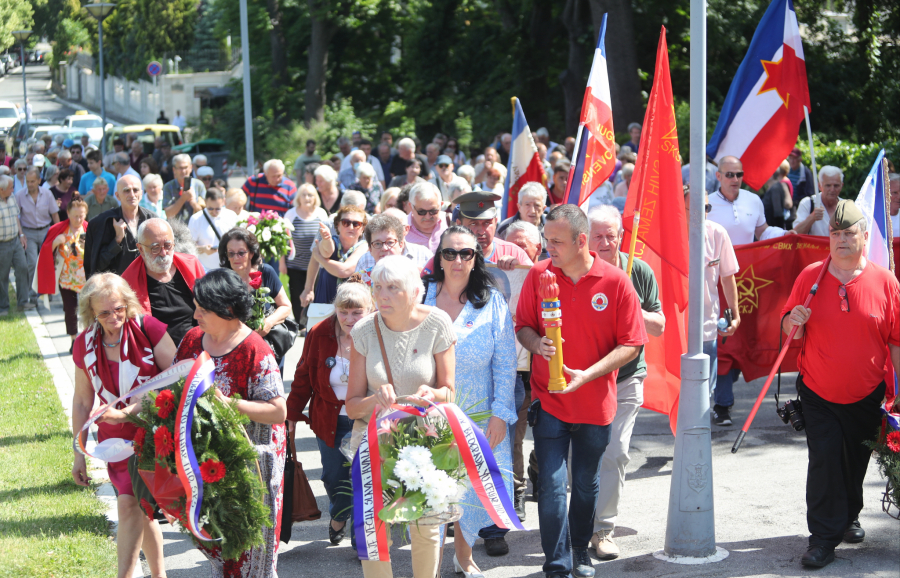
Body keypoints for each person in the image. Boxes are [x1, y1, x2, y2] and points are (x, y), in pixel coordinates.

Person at [515, 204, 647, 578]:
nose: (549, 247)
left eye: (556, 241)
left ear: (581, 240)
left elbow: (632, 343)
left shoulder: (617, 281)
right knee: (553, 486)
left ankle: (579, 550)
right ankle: (557, 565)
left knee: (586, 485)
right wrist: (536, 343)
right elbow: (523, 325)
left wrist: (588, 375)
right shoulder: (539, 274)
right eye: (547, 239)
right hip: (550, 400)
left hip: (596, 405)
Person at [781, 200, 900, 568]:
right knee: (825, 461)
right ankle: (822, 539)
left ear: (864, 237)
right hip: (818, 392)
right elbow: (787, 328)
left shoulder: (885, 281)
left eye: (849, 233)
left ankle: (848, 515)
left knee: (854, 461)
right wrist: (793, 319)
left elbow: (896, 340)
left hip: (867, 393)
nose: (841, 239)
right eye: (835, 233)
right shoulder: (810, 277)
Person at [345, 254, 456, 578]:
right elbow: (352, 406)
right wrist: (375, 400)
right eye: (378, 287)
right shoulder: (364, 330)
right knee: (373, 529)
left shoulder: (437, 323)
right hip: (375, 444)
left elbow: (450, 392)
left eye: (393, 288)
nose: (382, 296)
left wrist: (431, 393)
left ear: (414, 291)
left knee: (426, 528)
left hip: (425, 442)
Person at [173, 269, 288, 576]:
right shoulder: (192, 340)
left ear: (227, 309)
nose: (195, 315)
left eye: (203, 310)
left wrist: (228, 403)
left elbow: (278, 411)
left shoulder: (255, 349)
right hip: (206, 462)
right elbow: (173, 389)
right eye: (196, 307)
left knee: (251, 552)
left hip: (252, 467)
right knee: (219, 546)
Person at [423, 226, 518, 567]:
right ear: (440, 258)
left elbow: (505, 364)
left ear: (476, 259)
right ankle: (429, 565)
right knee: (431, 489)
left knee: (471, 491)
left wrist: (500, 414)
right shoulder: (420, 298)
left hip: (479, 414)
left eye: (466, 253)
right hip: (428, 413)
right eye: (450, 253)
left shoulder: (492, 301)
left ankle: (464, 558)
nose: (458, 260)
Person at [71, 273, 173, 578]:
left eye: (119, 308)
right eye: (104, 313)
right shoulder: (84, 344)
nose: (114, 317)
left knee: (131, 505)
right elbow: (82, 402)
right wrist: (78, 453)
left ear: (128, 302)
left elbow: (177, 378)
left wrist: (129, 412)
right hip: (115, 443)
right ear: (91, 313)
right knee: (140, 509)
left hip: (153, 435)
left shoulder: (148, 329)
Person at [586, 206, 665, 559]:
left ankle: (603, 529)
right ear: (585, 238)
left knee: (615, 452)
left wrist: (631, 301)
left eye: (611, 235)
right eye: (598, 236)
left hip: (627, 377)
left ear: (621, 236)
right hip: (584, 378)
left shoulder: (639, 270)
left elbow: (659, 326)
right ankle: (579, 520)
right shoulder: (576, 270)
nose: (605, 242)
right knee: (585, 454)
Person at [287, 279, 373, 544]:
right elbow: (303, 375)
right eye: (343, 312)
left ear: (370, 310)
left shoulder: (378, 333)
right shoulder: (319, 333)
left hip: (366, 420)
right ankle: (338, 514)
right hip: (329, 419)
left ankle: (362, 541)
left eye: (356, 312)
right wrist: (291, 414)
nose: (349, 319)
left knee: (364, 479)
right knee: (334, 478)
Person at [684, 188, 742, 426]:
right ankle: (685, 432)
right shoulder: (669, 235)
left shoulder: (718, 233)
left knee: (704, 389)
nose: (703, 214)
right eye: (696, 209)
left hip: (707, 324)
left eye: (706, 208)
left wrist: (735, 315)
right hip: (676, 326)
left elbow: (727, 277)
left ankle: (697, 432)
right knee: (679, 389)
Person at [122, 218, 204, 346]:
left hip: (197, 346)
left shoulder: (191, 265)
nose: (163, 253)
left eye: (168, 245)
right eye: (155, 248)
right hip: (156, 352)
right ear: (141, 249)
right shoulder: (128, 282)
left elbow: (209, 308)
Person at [424, 191, 533, 274]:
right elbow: (421, 288)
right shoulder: (447, 256)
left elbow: (536, 284)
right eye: (473, 224)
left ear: (495, 222)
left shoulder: (514, 253)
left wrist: (519, 271)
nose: (481, 231)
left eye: (487, 223)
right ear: (459, 224)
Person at [219, 227, 292, 340]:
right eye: (231, 253)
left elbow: (285, 306)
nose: (236, 258)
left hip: (265, 340)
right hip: (233, 340)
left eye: (241, 253)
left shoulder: (266, 272)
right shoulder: (222, 279)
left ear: (251, 253)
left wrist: (268, 322)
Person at [36, 197, 88, 349]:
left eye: (81, 216)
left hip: (85, 279)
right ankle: (74, 340)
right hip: (66, 278)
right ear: (68, 214)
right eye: (75, 216)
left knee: (88, 310)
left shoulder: (89, 229)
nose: (78, 219)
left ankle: (88, 339)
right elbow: (45, 251)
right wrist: (55, 242)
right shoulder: (59, 229)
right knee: (70, 310)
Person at [83, 175, 156, 278]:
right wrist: (117, 240)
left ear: (141, 193)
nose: (132, 194)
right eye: (126, 190)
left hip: (146, 283)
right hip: (116, 285)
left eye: (135, 190)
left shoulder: (153, 220)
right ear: (117, 196)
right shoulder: (102, 223)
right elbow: (95, 266)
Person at [284, 184, 328, 328]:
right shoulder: (291, 214)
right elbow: (283, 240)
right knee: (297, 295)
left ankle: (313, 324)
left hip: (317, 264)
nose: (307, 198)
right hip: (295, 265)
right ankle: (300, 325)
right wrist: (282, 262)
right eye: (304, 194)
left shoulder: (321, 214)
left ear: (315, 197)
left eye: (310, 195)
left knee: (314, 295)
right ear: (299, 197)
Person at [354, 211, 434, 287]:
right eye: (377, 243)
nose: (384, 248)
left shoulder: (418, 276)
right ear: (370, 249)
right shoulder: (361, 279)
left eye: (390, 242)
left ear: (401, 244)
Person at [17, 166, 60, 302]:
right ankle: (33, 293)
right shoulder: (19, 195)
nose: (30, 184)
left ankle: (46, 290)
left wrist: (58, 233)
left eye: (32, 181)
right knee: (32, 263)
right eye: (28, 181)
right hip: (28, 232)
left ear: (39, 180)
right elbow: (16, 216)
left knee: (47, 262)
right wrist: (21, 234)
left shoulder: (47, 194)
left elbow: (54, 214)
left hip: (46, 231)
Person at [311, 205, 368, 304]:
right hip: (324, 303)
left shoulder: (364, 247)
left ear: (362, 228)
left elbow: (343, 271)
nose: (351, 227)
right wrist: (327, 239)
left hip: (351, 305)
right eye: (346, 222)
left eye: (356, 224)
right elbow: (326, 252)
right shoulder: (332, 241)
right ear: (338, 225)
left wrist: (320, 259)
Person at [707, 156, 768, 245]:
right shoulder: (706, 204)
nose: (735, 179)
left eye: (739, 175)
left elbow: (762, 232)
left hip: (747, 254)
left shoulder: (754, 200)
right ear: (718, 176)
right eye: (730, 175)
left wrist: (784, 234)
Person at [0, 175, 33, 314]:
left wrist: (21, 235)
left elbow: (16, 217)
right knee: (2, 275)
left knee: (23, 268)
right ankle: (3, 307)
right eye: (10, 188)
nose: (13, 190)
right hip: (2, 244)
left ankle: (23, 302)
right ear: (1, 189)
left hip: (15, 240)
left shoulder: (11, 197)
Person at [188, 188, 237, 271]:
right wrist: (203, 249)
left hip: (228, 268)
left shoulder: (231, 216)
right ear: (205, 202)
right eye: (210, 208)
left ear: (223, 202)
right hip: (205, 269)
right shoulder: (196, 219)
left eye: (218, 209)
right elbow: (188, 247)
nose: (214, 212)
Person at [793, 165, 844, 236]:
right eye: (828, 185)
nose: (832, 190)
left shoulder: (847, 207)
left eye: (836, 185)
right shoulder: (807, 203)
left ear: (841, 186)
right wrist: (812, 217)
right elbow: (795, 234)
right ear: (819, 186)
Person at [162, 154, 206, 224]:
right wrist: (183, 198)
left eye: (185, 167)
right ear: (174, 170)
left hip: (195, 226)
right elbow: (168, 214)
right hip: (175, 228)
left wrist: (193, 202)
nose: (183, 171)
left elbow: (205, 214)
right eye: (180, 168)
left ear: (191, 168)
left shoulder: (199, 185)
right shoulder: (168, 187)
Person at [406, 182, 447, 253]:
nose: (427, 216)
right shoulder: (400, 228)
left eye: (433, 211)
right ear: (411, 207)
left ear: (441, 205)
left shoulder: (450, 222)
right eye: (421, 212)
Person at [762, 161, 793, 228]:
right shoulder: (771, 188)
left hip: (773, 229)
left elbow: (778, 214)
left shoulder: (775, 189)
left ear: (771, 175)